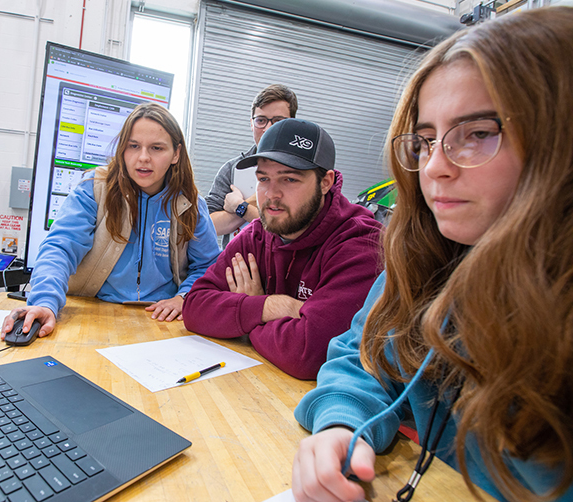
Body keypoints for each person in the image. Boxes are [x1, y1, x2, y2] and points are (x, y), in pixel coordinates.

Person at [291, 7, 573, 502]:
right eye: (425, 140)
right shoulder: (424, 256)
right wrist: (341, 422)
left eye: (479, 133)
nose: (435, 167)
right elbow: (363, 357)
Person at [182, 118, 383, 380]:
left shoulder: (361, 243)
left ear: (326, 182)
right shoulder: (259, 233)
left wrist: (244, 317)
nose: (271, 194)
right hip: (258, 391)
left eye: (289, 179)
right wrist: (268, 306)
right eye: (263, 178)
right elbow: (195, 308)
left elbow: (308, 355)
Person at [2, 103, 220, 340]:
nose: (143, 157)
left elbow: (207, 266)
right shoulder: (94, 189)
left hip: (161, 320)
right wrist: (45, 301)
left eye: (157, 148)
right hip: (94, 311)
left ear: (176, 154)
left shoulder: (191, 204)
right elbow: (60, 248)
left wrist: (184, 297)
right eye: (133, 146)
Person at [206, 84, 298, 248]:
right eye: (261, 120)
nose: (268, 129)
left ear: (292, 124)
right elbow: (207, 225)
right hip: (236, 265)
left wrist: (239, 206)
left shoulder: (302, 171)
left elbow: (292, 231)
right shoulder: (232, 169)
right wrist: (250, 204)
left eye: (278, 121)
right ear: (251, 123)